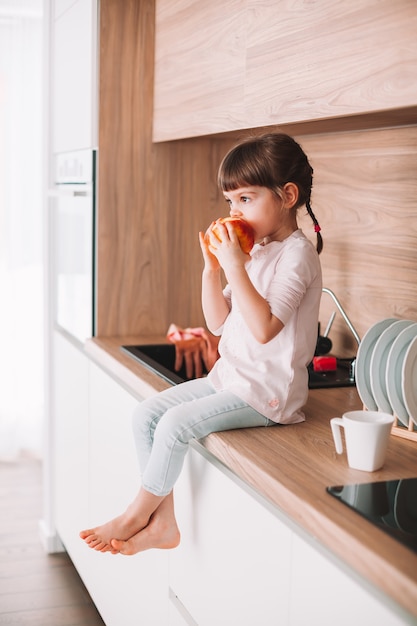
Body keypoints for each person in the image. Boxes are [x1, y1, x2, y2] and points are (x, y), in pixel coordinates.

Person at [80, 132, 323, 556]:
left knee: (174, 426)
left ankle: (137, 514)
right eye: (230, 201)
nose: (234, 211)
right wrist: (213, 270)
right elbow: (217, 323)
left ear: (287, 195)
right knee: (146, 416)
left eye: (245, 199)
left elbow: (265, 327)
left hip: (267, 395)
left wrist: (234, 265)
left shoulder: (297, 255)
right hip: (231, 379)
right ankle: (165, 523)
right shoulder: (259, 251)